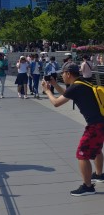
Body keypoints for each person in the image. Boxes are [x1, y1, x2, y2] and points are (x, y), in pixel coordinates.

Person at [42, 63, 104, 196]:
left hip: (94, 125)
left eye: (62, 74)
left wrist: (47, 91)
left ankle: (88, 187)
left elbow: (56, 103)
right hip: (101, 123)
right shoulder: (83, 83)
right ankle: (99, 175)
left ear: (68, 73)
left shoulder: (75, 87)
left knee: (82, 153)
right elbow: (66, 94)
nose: (61, 76)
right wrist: (55, 85)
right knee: (96, 148)